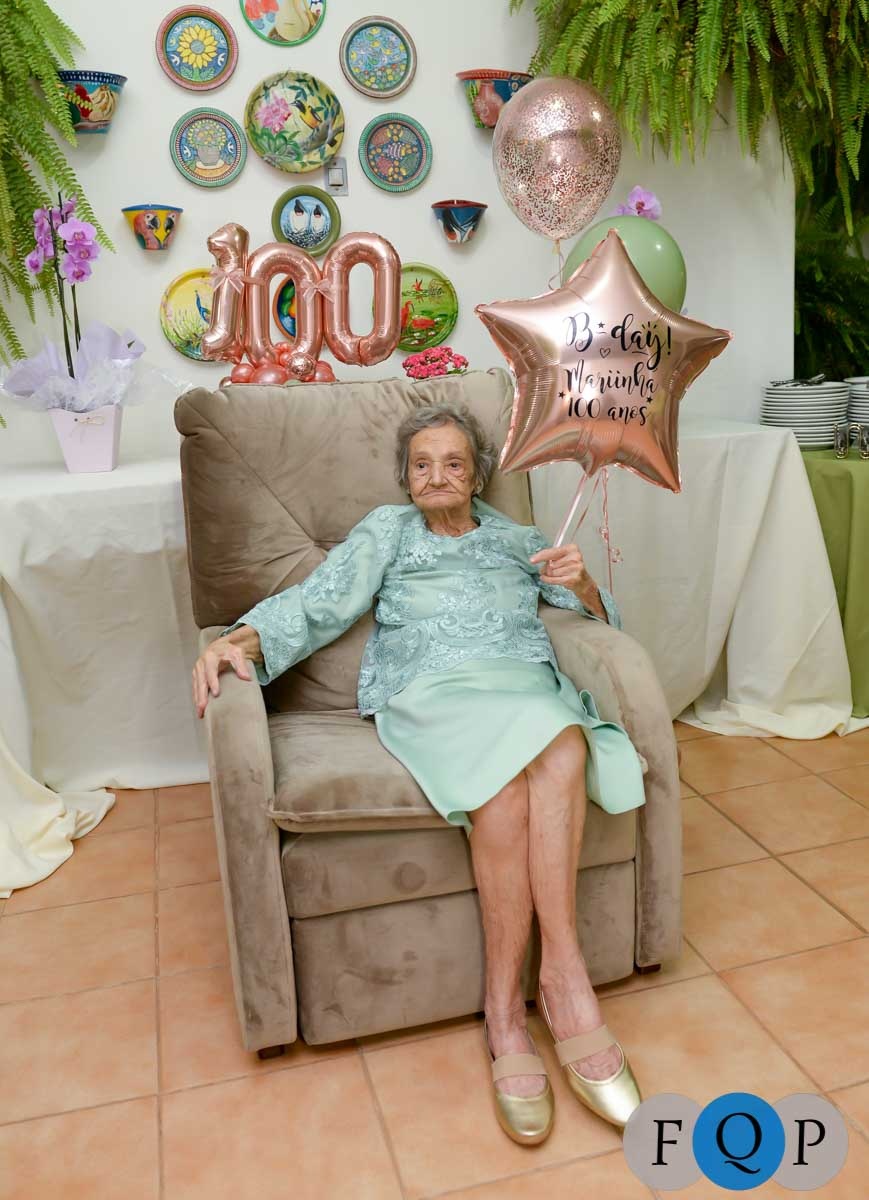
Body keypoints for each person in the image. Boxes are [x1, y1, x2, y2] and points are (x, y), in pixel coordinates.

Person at [191, 401, 644, 1146]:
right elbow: (319, 602)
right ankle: (510, 1010)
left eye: (453, 463)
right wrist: (237, 641)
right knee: (508, 783)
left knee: (565, 743)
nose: (436, 477)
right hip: (432, 690)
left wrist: (585, 583)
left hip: (518, 683)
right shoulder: (387, 531)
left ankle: (559, 979)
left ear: (477, 477)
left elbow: (598, 619)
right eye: (422, 465)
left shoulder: (521, 540)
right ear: (405, 478)